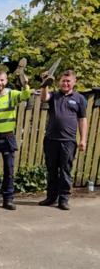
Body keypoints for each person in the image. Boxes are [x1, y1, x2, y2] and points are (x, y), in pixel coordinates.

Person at [0, 70, 31, 210]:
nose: (0, 83)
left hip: (8, 136)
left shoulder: (12, 94)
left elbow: (26, 95)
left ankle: (8, 200)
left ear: (6, 81)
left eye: (2, 80)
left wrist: (26, 83)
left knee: (8, 170)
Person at [39, 70, 87, 210]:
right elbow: (43, 98)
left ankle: (63, 199)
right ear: (59, 82)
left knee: (65, 170)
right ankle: (51, 197)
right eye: (63, 81)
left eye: (68, 81)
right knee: (52, 170)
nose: (65, 83)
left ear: (74, 82)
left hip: (68, 141)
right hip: (51, 140)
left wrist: (83, 139)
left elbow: (82, 120)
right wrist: (44, 84)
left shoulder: (79, 99)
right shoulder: (54, 95)